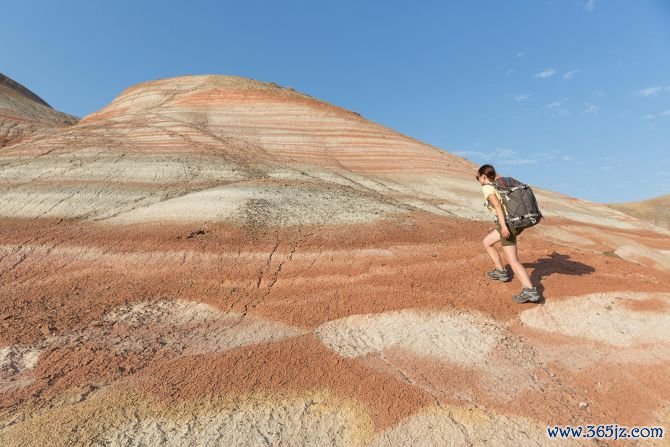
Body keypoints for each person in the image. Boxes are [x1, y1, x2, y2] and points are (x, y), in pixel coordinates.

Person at [476, 164, 541, 303]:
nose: (478, 180)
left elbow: (498, 206)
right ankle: (500, 271)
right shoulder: (497, 184)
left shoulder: (487, 188)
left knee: (513, 260)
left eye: (478, 177)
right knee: (487, 242)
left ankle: (529, 290)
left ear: (483, 176)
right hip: (514, 222)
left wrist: (503, 226)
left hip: (508, 225)